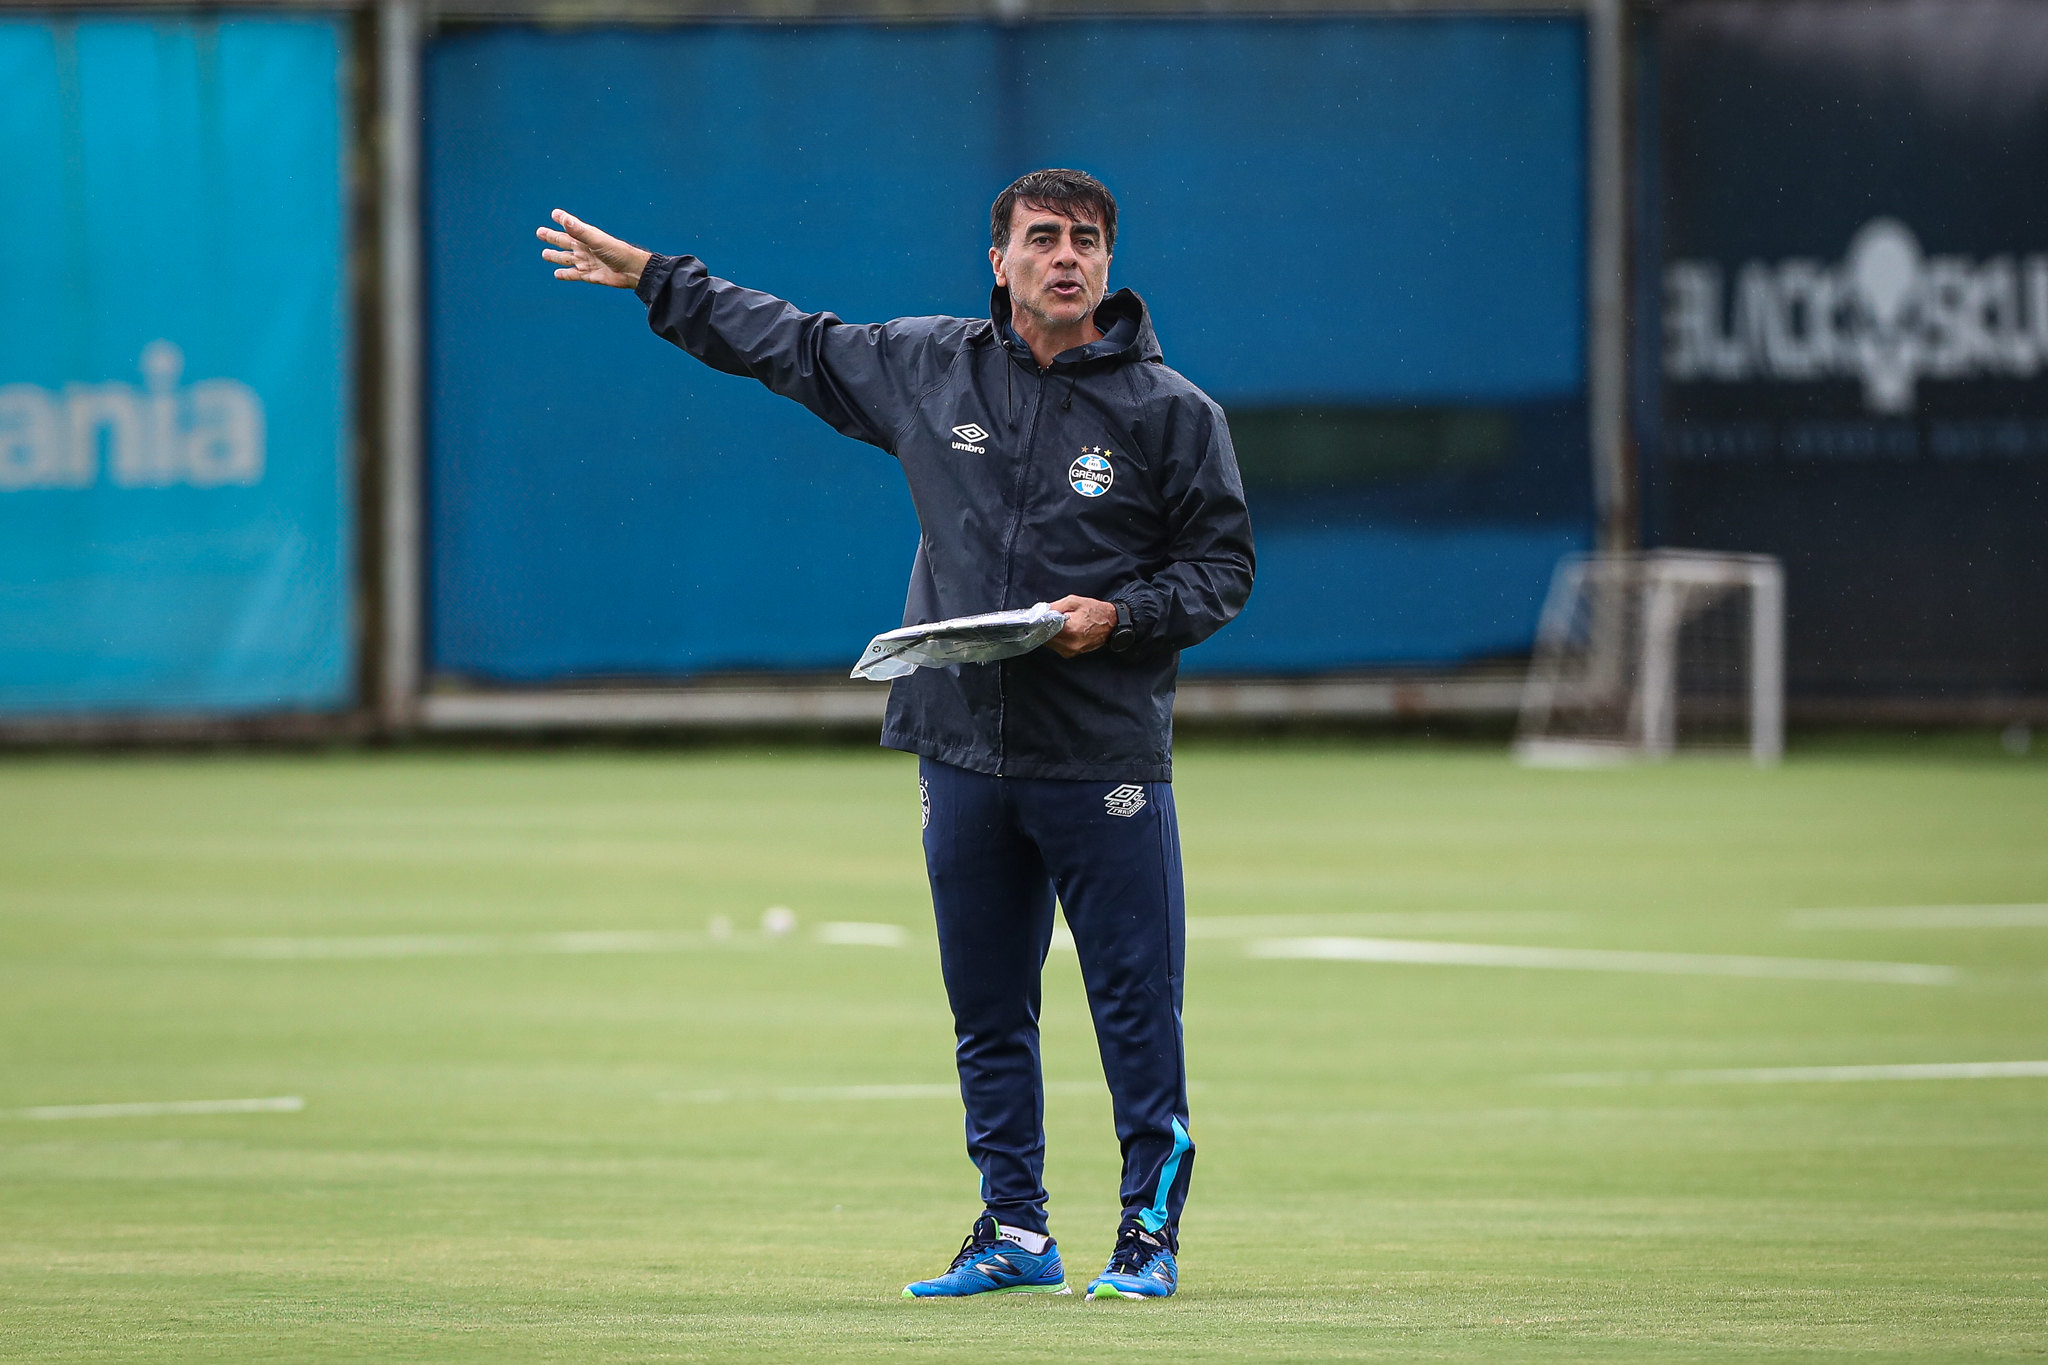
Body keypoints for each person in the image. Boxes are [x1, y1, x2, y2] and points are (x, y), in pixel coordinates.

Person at [537, 169, 1254, 1300]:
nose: (1063, 258)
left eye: (1084, 241)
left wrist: (1118, 619)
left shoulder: (1172, 412)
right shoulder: (929, 366)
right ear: (998, 261)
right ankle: (1013, 1229)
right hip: (960, 746)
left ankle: (1145, 1237)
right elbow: (788, 344)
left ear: (1108, 263)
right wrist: (654, 281)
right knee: (985, 1005)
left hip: (1100, 755)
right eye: (1039, 239)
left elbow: (1221, 571)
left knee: (1130, 1003)